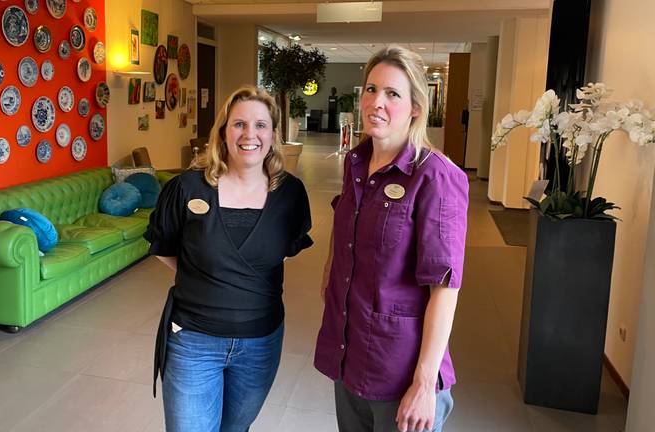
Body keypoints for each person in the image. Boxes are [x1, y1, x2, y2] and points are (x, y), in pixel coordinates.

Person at [314, 46, 469, 432]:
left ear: (417, 106)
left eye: (392, 94)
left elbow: (445, 289)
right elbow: (344, 239)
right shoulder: (356, 165)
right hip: (349, 357)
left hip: (399, 370)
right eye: (370, 89)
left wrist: (423, 383)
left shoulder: (435, 177)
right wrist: (328, 281)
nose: (376, 102)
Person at [145, 86, 313, 432]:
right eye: (239, 124)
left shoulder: (290, 194)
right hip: (193, 339)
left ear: (273, 134)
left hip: (260, 342)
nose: (250, 134)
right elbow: (164, 246)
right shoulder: (187, 187)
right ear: (223, 131)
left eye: (260, 125)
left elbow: (281, 254)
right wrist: (205, 275)